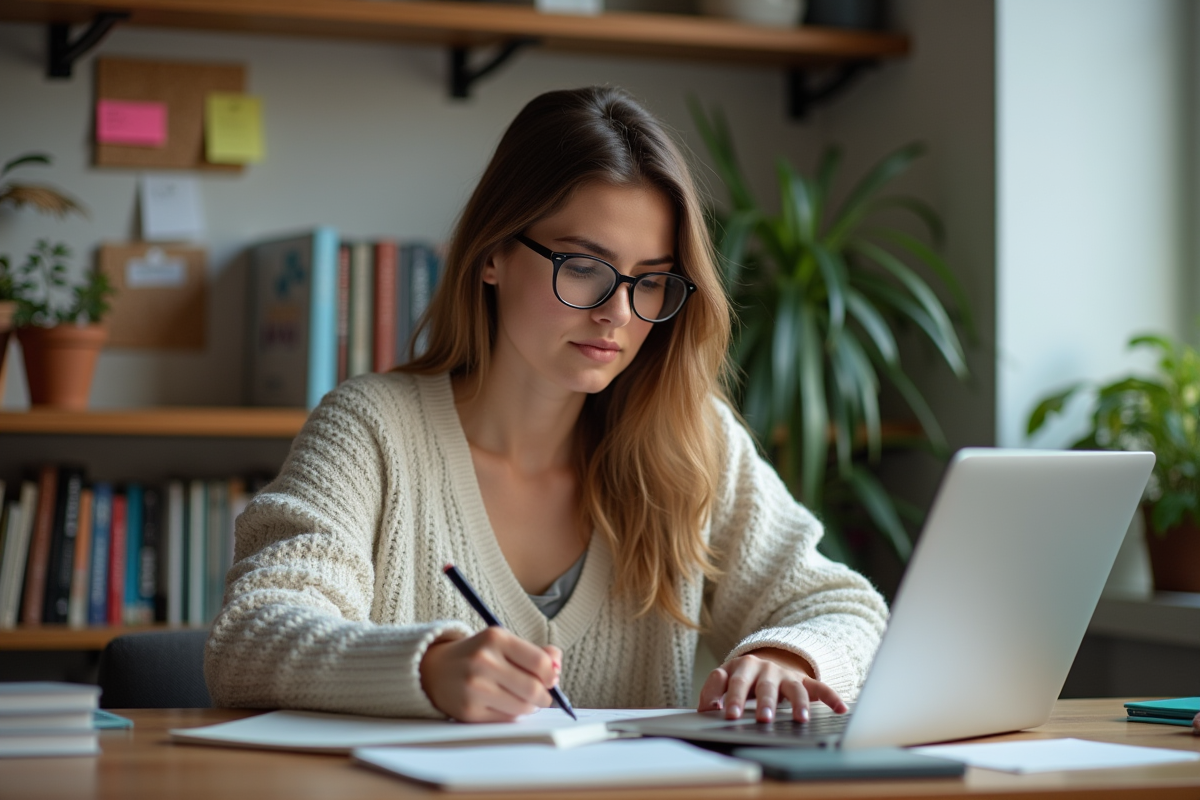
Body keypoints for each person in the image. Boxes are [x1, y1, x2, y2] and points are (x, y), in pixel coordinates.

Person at [205, 86, 888, 724]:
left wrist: (786, 657)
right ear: (493, 254)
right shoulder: (373, 430)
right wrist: (430, 671)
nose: (618, 313)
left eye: (650, 281)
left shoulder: (690, 440)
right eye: (584, 266)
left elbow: (843, 607)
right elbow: (251, 635)